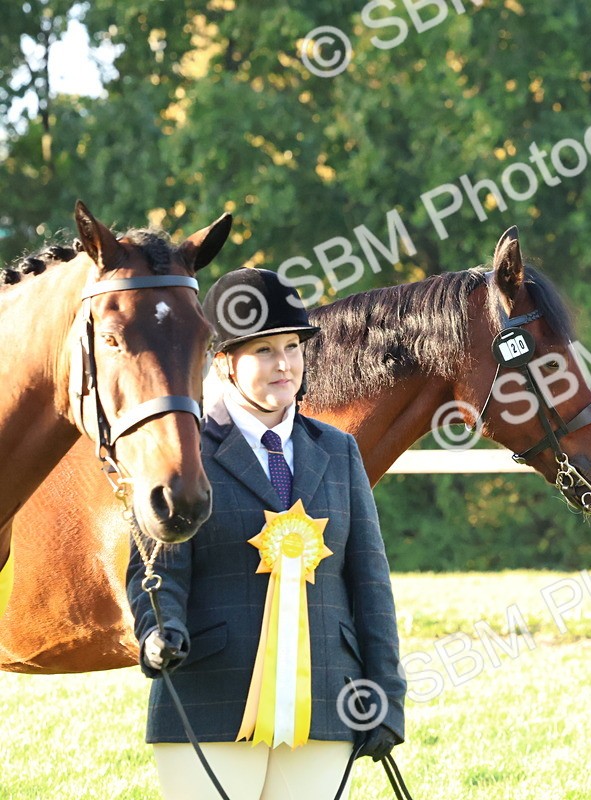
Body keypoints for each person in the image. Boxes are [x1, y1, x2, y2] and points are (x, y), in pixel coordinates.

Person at [127, 268, 406, 800]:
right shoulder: (186, 454)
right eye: (264, 351)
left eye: (292, 347)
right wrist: (158, 630)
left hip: (328, 697)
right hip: (212, 693)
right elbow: (158, 572)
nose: (284, 364)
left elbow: (370, 583)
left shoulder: (339, 450)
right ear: (225, 362)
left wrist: (386, 693)